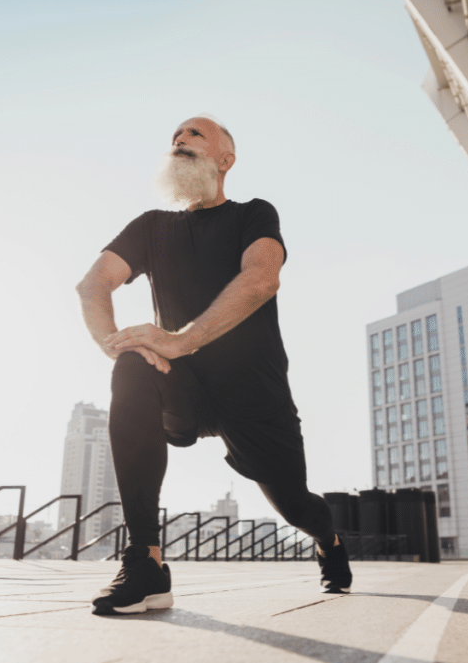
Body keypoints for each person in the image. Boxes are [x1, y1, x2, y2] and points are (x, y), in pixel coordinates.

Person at [77, 115, 353, 615]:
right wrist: (112, 343)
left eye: (195, 135)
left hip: (255, 391)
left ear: (225, 160)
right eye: (175, 137)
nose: (180, 140)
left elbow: (261, 280)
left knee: (296, 506)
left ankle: (328, 540)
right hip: (181, 386)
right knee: (133, 368)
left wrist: (183, 339)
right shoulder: (151, 227)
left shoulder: (253, 214)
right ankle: (146, 564)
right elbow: (93, 284)